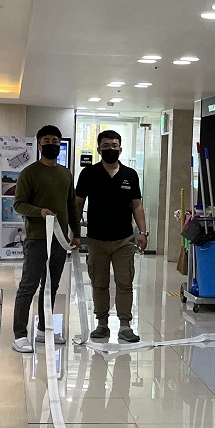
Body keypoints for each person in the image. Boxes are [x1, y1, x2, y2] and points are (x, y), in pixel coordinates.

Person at [12, 125, 81, 353]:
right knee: (28, 286)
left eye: (55, 141)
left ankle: (44, 329)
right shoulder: (29, 173)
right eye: (47, 141)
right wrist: (39, 212)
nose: (52, 145)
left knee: (51, 286)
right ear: (39, 145)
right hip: (37, 239)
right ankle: (20, 335)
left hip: (59, 239)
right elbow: (19, 204)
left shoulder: (66, 174)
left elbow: (71, 206)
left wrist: (76, 233)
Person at [75, 130, 146, 343]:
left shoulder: (130, 175)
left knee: (125, 282)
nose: (110, 149)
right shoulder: (89, 174)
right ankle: (102, 324)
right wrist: (75, 232)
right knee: (99, 283)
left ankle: (125, 326)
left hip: (124, 239)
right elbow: (78, 204)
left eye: (114, 146)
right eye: (106, 146)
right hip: (96, 239)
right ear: (98, 149)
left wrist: (143, 232)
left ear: (120, 148)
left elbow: (137, 205)